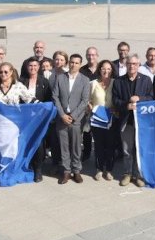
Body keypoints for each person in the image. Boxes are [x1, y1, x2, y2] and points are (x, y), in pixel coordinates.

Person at [112, 54, 153, 187]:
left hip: (141, 122)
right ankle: (127, 173)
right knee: (127, 149)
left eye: (135, 64)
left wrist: (140, 99)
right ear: (126, 65)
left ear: (138, 65)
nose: (132, 66)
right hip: (126, 121)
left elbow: (151, 98)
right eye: (129, 64)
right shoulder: (119, 81)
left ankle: (138, 175)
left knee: (139, 149)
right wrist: (126, 105)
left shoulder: (146, 80)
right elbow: (115, 100)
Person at [52, 54, 90, 184]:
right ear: (68, 64)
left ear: (80, 64)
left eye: (77, 63)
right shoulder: (60, 78)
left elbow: (85, 101)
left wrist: (73, 116)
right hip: (62, 117)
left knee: (76, 147)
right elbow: (55, 97)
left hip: (76, 119)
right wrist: (62, 115)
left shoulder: (84, 80)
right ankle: (66, 171)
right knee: (64, 147)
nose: (74, 65)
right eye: (72, 62)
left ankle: (77, 170)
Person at [20, 57, 53, 182]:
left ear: (39, 67)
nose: (32, 68)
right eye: (30, 66)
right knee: (26, 142)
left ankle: (38, 169)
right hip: (25, 118)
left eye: (35, 66)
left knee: (39, 143)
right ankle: (27, 164)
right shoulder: (21, 81)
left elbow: (49, 100)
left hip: (40, 118)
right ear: (26, 67)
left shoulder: (44, 81)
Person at [89, 60, 118, 180]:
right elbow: (88, 99)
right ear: (99, 70)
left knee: (111, 145)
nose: (106, 71)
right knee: (99, 145)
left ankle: (109, 170)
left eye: (109, 69)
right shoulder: (93, 83)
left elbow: (119, 98)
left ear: (112, 71)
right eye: (103, 69)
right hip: (97, 119)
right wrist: (92, 109)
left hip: (112, 119)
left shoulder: (116, 83)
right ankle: (99, 169)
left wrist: (115, 108)